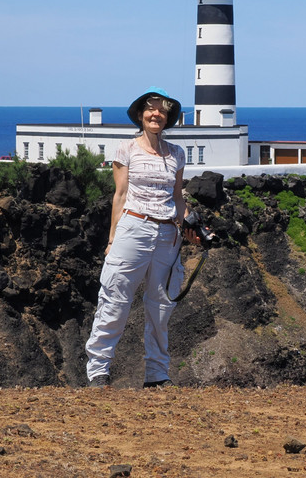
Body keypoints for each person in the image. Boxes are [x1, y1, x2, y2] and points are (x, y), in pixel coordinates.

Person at [84, 87, 198, 388]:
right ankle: (98, 371)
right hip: (133, 227)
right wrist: (111, 240)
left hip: (167, 234)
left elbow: (177, 195)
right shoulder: (126, 150)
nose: (156, 113)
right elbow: (119, 196)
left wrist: (186, 224)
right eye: (150, 108)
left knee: (161, 306)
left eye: (162, 110)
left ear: (168, 117)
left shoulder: (177, 153)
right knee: (115, 300)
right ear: (140, 115)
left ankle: (157, 375)